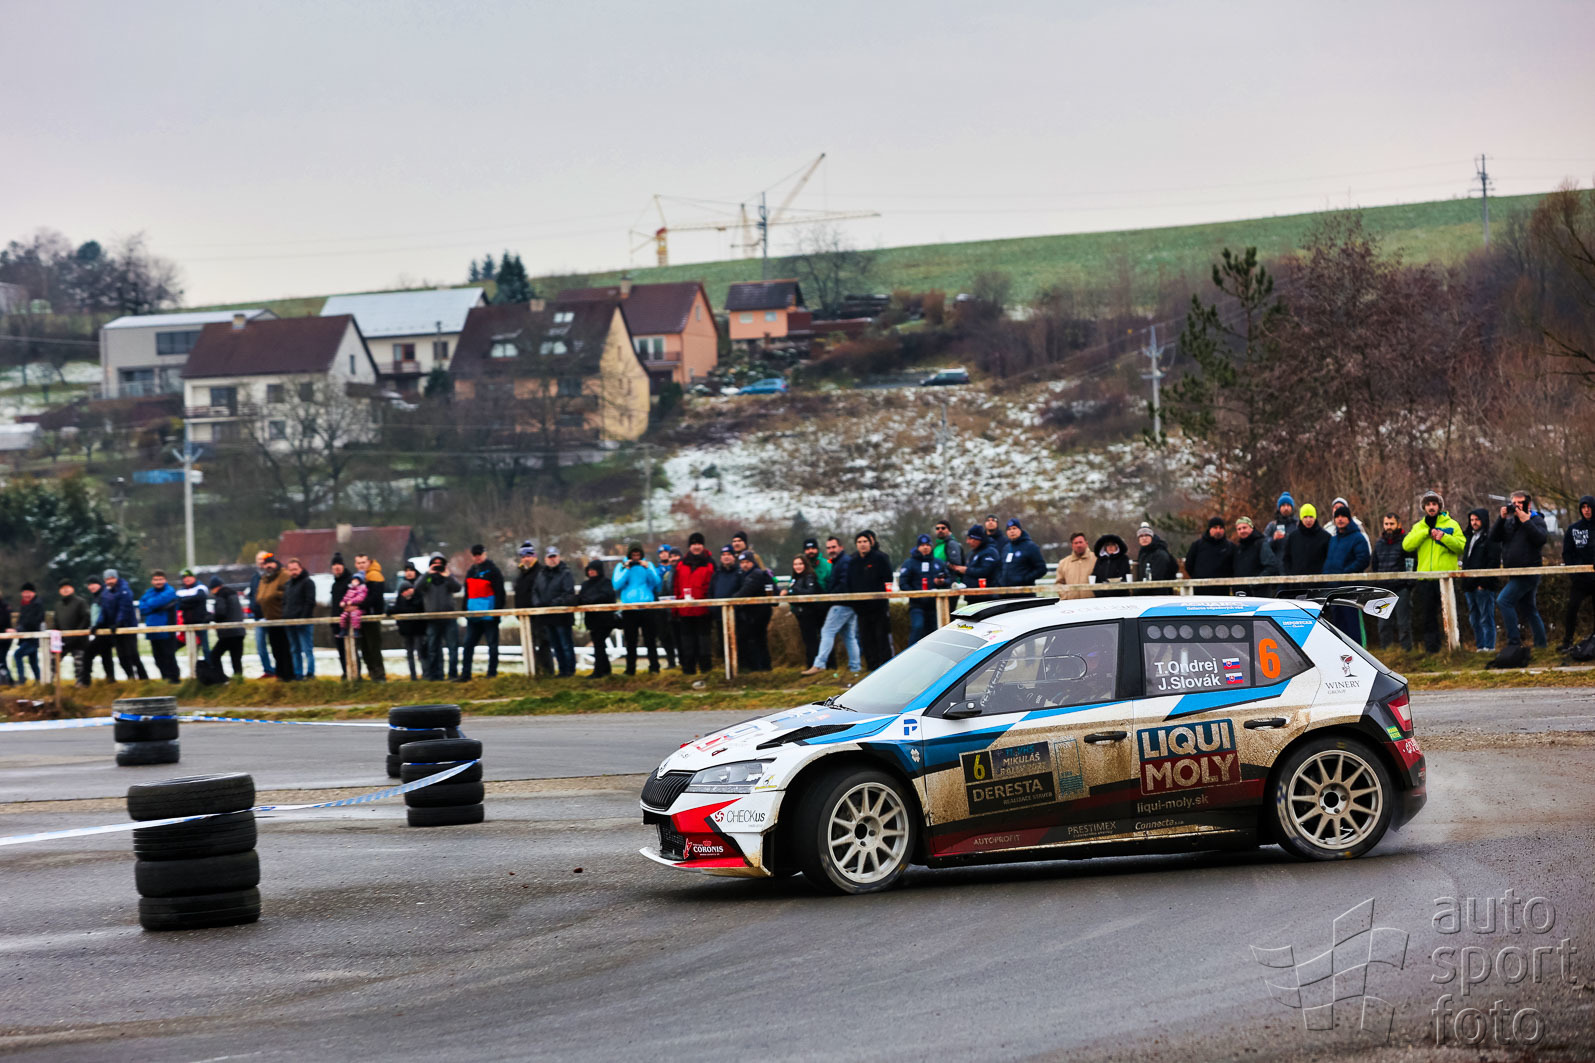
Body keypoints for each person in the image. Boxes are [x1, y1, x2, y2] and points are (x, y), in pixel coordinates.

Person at [1401, 491, 1465, 654]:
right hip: (1425, 578)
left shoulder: (1452, 524)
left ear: (1439, 506)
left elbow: (1461, 546)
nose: (1431, 507)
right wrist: (1426, 533)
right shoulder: (1419, 527)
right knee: (1428, 616)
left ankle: (1456, 647)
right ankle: (1432, 650)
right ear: (1424, 507)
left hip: (1445, 578)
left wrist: (1444, 537)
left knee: (1451, 614)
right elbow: (1407, 545)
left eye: (1434, 504)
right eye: (1428, 504)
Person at [1491, 491, 1549, 653]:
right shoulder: (1510, 523)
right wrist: (1501, 519)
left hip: (1529, 572)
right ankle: (1541, 645)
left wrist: (1526, 521)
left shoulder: (1537, 520)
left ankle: (1514, 643)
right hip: (1515, 572)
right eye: (1513, 503)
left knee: (1504, 601)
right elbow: (1494, 538)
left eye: (1520, 503)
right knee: (1529, 609)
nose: (1516, 506)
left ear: (1528, 505)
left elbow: (1541, 539)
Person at [803, 539, 862, 676]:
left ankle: (819, 664)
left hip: (841, 603)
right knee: (849, 636)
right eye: (828, 548)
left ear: (841, 547)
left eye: (833, 547)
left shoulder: (843, 562)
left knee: (827, 631)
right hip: (849, 603)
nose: (831, 550)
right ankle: (855, 666)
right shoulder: (839, 562)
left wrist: (830, 596)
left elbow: (843, 584)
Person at [1323, 505, 1373, 639]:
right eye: (1337, 516)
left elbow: (1363, 560)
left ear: (1349, 519)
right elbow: (1329, 562)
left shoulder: (1358, 538)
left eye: (1343, 516)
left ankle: (1358, 650)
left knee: (1353, 625)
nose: (1340, 519)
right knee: (1338, 626)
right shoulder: (1333, 540)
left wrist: (1345, 573)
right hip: (1334, 590)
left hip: (1351, 590)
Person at [613, 543, 662, 674]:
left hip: (647, 606)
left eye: (638, 555)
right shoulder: (621, 566)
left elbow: (657, 583)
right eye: (633, 555)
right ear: (629, 555)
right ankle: (630, 669)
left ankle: (654, 667)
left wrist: (648, 569)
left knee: (650, 639)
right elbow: (616, 584)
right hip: (629, 608)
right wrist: (626, 569)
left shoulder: (648, 565)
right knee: (631, 641)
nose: (636, 557)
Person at [848, 531, 895, 669]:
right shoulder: (853, 561)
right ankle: (871, 667)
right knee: (866, 639)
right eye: (859, 542)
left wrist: (883, 598)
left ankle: (886, 666)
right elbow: (849, 582)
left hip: (879, 607)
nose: (862, 544)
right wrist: (855, 603)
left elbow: (888, 578)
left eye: (865, 541)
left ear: (870, 543)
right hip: (862, 608)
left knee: (882, 637)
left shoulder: (880, 558)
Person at [461, 544, 506, 681]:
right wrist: (465, 610)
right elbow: (467, 593)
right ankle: (465, 674)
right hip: (473, 616)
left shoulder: (493, 571)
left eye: (479, 554)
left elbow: (500, 593)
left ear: (484, 554)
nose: (477, 557)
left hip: (489, 616)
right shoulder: (471, 571)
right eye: (475, 555)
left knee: (492, 645)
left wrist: (496, 612)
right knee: (468, 645)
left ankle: (492, 673)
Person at [1370, 513, 1414, 651]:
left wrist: (1408, 585)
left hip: (1401, 588)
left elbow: (1411, 564)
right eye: (1386, 524)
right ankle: (1386, 652)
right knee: (1383, 625)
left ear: (1398, 524)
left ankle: (1407, 652)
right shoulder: (1379, 544)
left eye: (1391, 524)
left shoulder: (1406, 543)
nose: (1389, 527)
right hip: (1383, 589)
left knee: (1403, 623)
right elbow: (1375, 565)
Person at [673, 534, 715, 675]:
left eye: (699, 544)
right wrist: (676, 608)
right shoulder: (681, 564)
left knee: (704, 643)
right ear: (689, 546)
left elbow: (713, 586)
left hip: (703, 610)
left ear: (703, 546)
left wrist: (710, 606)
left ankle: (706, 670)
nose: (696, 547)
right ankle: (688, 671)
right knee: (687, 643)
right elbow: (676, 586)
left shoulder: (710, 563)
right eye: (693, 544)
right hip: (685, 610)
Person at [1460, 508, 1500, 653]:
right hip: (1469, 585)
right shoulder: (1469, 537)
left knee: (1486, 617)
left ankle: (1489, 647)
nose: (1474, 522)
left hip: (1483, 585)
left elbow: (1493, 561)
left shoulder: (1491, 538)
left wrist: (1483, 583)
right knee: (1474, 618)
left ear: (1483, 520)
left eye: (1477, 519)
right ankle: (1480, 646)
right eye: (1472, 520)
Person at [532, 546, 577, 676]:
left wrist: (553, 603)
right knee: (555, 645)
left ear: (558, 557)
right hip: (547, 616)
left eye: (554, 556)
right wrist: (538, 603)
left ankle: (570, 670)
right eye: (550, 557)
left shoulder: (566, 573)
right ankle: (562, 670)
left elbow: (568, 593)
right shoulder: (541, 574)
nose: (552, 559)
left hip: (562, 616)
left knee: (565, 644)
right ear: (545, 559)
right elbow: (535, 591)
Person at [898, 535, 949, 645]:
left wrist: (942, 582)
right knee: (917, 627)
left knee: (936, 633)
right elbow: (903, 583)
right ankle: (911, 653)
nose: (925, 547)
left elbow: (949, 580)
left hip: (935, 605)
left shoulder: (938, 563)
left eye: (927, 545)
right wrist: (917, 595)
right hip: (917, 605)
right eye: (922, 545)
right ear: (917, 547)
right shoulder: (909, 563)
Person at [418, 553, 462, 681]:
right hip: (433, 619)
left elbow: (458, 588)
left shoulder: (447, 578)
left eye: (440, 564)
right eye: (435, 563)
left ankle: (453, 674)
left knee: (452, 647)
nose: (438, 566)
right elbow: (418, 587)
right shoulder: (428, 579)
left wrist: (448, 576)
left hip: (449, 618)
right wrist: (428, 574)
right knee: (433, 648)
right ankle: (435, 675)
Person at [1560, 495, 1595, 652]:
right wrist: (1574, 574)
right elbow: (1567, 553)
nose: (1586, 510)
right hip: (1580, 579)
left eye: (1589, 507)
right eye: (1583, 507)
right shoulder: (1573, 529)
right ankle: (1567, 641)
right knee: (1572, 608)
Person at [512, 544, 554, 675]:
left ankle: (547, 671)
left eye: (528, 556)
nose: (526, 559)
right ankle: (534, 671)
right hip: (524, 615)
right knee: (529, 644)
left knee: (543, 643)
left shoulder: (540, 572)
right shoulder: (521, 574)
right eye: (523, 556)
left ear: (534, 556)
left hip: (538, 614)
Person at [733, 551, 775, 671]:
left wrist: (731, 600)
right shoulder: (748, 574)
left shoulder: (755, 575)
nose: (744, 565)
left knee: (753, 640)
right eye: (742, 562)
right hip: (756, 613)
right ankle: (763, 667)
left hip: (757, 614)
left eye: (747, 562)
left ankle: (758, 668)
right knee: (759, 640)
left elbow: (744, 593)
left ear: (753, 562)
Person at [138, 570, 181, 683]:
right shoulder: (149, 592)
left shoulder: (170, 591)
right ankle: (165, 681)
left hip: (167, 630)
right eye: (156, 579)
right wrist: (156, 607)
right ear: (152, 581)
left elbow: (151, 604)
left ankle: (175, 681)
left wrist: (151, 605)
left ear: (165, 580)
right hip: (153, 631)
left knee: (169, 657)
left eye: (160, 579)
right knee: (158, 659)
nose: (158, 582)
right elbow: (142, 608)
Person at [254, 557, 292, 680]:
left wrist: (274, 594)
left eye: (270, 563)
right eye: (266, 564)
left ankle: (289, 675)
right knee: (275, 648)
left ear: (276, 564)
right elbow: (259, 596)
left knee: (285, 648)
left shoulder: (283, 575)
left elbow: (288, 592)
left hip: (282, 618)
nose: (268, 566)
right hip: (269, 619)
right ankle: (279, 674)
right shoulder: (265, 578)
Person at [578, 559, 618, 677]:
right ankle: (605, 670)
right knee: (598, 644)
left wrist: (590, 599)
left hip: (605, 620)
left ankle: (599, 671)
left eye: (593, 570)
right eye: (589, 570)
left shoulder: (606, 583)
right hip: (592, 619)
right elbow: (582, 597)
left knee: (599, 644)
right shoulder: (586, 584)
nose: (591, 572)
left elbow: (606, 596)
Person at [782, 554, 825, 664]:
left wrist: (793, 590)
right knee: (807, 640)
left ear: (805, 565)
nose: (798, 566)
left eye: (800, 564)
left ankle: (814, 664)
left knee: (812, 640)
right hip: (801, 613)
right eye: (795, 564)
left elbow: (810, 592)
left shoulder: (809, 577)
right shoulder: (795, 579)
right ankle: (811, 664)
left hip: (811, 613)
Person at [352, 553, 387, 681]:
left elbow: (374, 598)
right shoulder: (360, 577)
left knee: (373, 646)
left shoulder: (375, 576)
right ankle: (372, 673)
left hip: (372, 616)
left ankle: (379, 675)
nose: (361, 565)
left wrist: (357, 605)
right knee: (365, 647)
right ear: (356, 564)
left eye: (363, 562)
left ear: (369, 562)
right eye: (359, 563)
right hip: (361, 617)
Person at [282, 558, 317, 680]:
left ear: (300, 568)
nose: (293, 572)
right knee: (294, 649)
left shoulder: (308, 582)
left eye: (295, 569)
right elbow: (285, 602)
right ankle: (298, 674)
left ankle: (310, 673)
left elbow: (310, 602)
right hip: (290, 622)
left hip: (304, 622)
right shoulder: (288, 584)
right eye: (291, 570)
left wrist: (302, 619)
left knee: (307, 649)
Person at [391, 566, 427, 680]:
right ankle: (413, 676)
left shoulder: (419, 591)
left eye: (410, 570)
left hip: (418, 628)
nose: (409, 573)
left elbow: (416, 608)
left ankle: (425, 675)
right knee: (410, 654)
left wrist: (399, 609)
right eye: (406, 571)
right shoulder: (401, 592)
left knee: (421, 652)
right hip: (406, 629)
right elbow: (397, 608)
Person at [1281, 504, 1332, 585]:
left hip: (1319, 584)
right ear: (1301, 518)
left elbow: (1330, 560)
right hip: (1297, 584)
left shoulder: (1325, 537)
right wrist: (1290, 576)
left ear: (1315, 517)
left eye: (1311, 517)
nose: (1308, 520)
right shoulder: (1293, 537)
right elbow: (1286, 559)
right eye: (1305, 517)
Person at [54, 580, 92, 686]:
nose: (65, 590)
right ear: (60, 591)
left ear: (72, 589)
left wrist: (77, 633)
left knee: (80, 664)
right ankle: (49, 683)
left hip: (79, 640)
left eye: (67, 587)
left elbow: (86, 618)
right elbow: (56, 622)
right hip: (63, 640)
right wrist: (57, 636)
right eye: (63, 588)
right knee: (53, 660)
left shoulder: (81, 602)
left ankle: (81, 685)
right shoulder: (58, 605)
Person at [1185, 517, 1237, 593]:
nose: (1218, 530)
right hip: (1200, 589)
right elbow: (1189, 564)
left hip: (1222, 590)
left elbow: (1235, 567)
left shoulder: (1230, 546)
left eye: (1221, 528)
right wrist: (1197, 577)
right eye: (1215, 527)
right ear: (1209, 529)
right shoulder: (1197, 545)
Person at [207, 577, 246, 678]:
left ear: (215, 587)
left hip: (228, 633)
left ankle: (221, 678)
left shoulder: (221, 595)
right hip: (239, 631)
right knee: (236, 659)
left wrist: (209, 617)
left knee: (214, 655)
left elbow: (220, 613)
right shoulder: (233, 594)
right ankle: (238, 680)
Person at [247, 551, 275, 677]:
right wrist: (252, 606)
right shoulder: (255, 577)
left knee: (275, 645)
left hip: (271, 616)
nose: (261, 562)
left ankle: (279, 670)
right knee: (260, 646)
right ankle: (267, 670)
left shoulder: (272, 575)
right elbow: (252, 594)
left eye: (263, 559)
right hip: (258, 617)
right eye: (259, 559)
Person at [82, 576, 115, 682]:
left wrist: (97, 625)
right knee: (106, 656)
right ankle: (111, 680)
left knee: (88, 653)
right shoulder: (97, 597)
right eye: (89, 585)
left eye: (93, 584)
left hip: (103, 631)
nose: (91, 587)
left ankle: (85, 680)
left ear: (99, 584)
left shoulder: (103, 596)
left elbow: (105, 613)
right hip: (100, 631)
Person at [1231, 517, 1280, 588]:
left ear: (1251, 528)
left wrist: (1255, 583)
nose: (1242, 531)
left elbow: (1271, 567)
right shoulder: (1238, 548)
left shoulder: (1261, 544)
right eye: (1239, 529)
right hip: (1241, 591)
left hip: (1258, 592)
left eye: (1244, 527)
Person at [997, 519, 1046, 589]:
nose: (1012, 531)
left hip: (1024, 591)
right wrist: (1000, 581)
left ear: (1020, 530)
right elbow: (1000, 567)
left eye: (1014, 528)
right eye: (1009, 529)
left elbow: (1041, 569)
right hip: (1006, 591)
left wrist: (1024, 579)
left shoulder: (1030, 546)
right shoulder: (1006, 548)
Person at [12, 583, 44, 683]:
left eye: (28, 592)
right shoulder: (24, 604)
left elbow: (33, 622)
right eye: (24, 592)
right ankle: (39, 681)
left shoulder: (37, 605)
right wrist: (18, 628)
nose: (26, 595)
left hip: (32, 638)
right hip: (26, 637)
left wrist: (19, 629)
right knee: (33, 661)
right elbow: (21, 620)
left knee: (17, 655)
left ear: (33, 593)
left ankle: (21, 679)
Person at [952, 525, 1000, 591]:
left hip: (986, 593)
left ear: (977, 539)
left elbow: (985, 571)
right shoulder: (972, 553)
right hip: (971, 593)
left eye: (970, 539)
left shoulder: (990, 552)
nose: (967, 542)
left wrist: (966, 570)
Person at [174, 569, 210, 656]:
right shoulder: (180, 591)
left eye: (189, 577)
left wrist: (185, 601)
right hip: (187, 623)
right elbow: (178, 603)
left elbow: (200, 598)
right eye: (184, 578)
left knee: (205, 648)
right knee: (191, 648)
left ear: (194, 578)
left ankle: (209, 663)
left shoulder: (200, 587)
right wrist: (192, 601)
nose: (187, 579)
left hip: (200, 622)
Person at [655, 544, 680, 670]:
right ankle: (671, 662)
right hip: (660, 605)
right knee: (664, 636)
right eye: (661, 553)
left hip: (675, 605)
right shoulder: (655, 570)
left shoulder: (676, 568)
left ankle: (682, 660)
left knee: (677, 634)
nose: (663, 554)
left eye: (666, 552)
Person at [328, 555, 353, 679]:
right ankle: (345, 673)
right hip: (337, 622)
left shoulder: (350, 581)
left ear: (343, 566)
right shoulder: (334, 585)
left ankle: (354, 674)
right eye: (334, 565)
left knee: (351, 650)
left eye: (339, 564)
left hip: (348, 621)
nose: (337, 567)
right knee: (341, 650)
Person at [1054, 533, 1095, 600]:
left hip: (1092, 602)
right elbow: (1059, 583)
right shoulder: (1063, 563)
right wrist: (1065, 596)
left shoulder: (1096, 559)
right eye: (1076, 543)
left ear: (1086, 543)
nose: (1078, 545)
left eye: (1080, 542)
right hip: (1071, 602)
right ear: (1072, 545)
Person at [338, 573, 367, 645]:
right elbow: (346, 597)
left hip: (357, 608)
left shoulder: (362, 589)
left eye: (356, 580)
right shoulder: (350, 590)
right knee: (343, 616)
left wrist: (352, 601)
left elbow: (360, 597)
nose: (354, 582)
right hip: (348, 608)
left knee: (354, 616)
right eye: (353, 580)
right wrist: (343, 602)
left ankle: (356, 630)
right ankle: (343, 629)